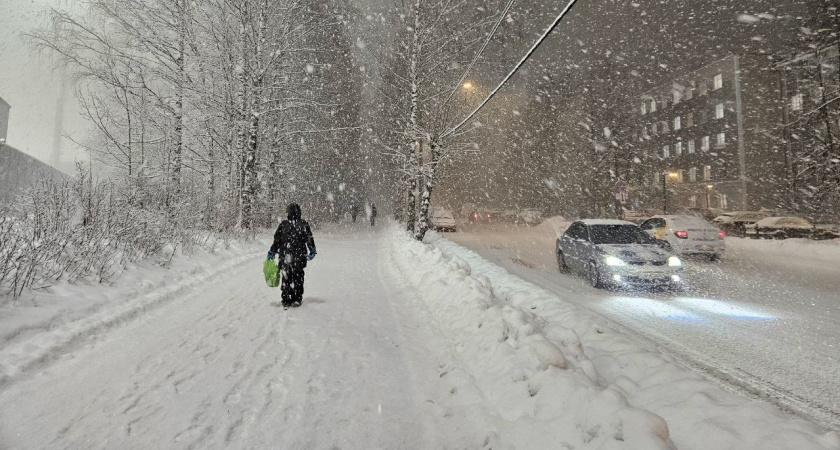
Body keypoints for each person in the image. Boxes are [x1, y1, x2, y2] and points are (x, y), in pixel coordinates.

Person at [267, 203, 316, 309]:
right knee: (298, 278)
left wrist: (272, 251)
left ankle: (286, 299)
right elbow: (309, 239)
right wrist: (312, 250)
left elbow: (277, 241)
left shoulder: (283, 225)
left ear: (288, 212)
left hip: (285, 257)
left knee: (286, 278)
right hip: (299, 257)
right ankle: (297, 298)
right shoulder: (303, 224)